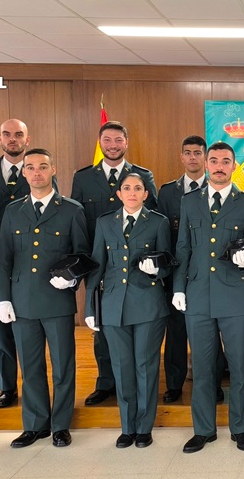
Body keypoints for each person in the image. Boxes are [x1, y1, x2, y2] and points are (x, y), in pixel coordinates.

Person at [0, 148, 89, 449]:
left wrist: (72, 278)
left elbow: (82, 254)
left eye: (43, 167)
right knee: (30, 365)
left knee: (63, 365)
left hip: (57, 301)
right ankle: (35, 424)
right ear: (24, 173)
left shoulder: (71, 210)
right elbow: (4, 259)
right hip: (22, 301)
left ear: (53, 170)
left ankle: (60, 425)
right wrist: (2, 299)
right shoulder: (12, 211)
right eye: (31, 167)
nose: (37, 173)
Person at [173, 141, 244, 453]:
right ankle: (204, 430)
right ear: (206, 164)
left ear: (234, 165)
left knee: (238, 366)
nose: (220, 166)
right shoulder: (189, 202)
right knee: (202, 366)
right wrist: (178, 287)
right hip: (197, 295)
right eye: (214, 160)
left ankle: (240, 428)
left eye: (226, 160)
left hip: (235, 295)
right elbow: (183, 247)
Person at [0, 118, 57, 409]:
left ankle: (36, 387)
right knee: (3, 327)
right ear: (0, 138)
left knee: (33, 327)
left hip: (35, 265)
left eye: (18, 134)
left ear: (27, 139)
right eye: (7, 134)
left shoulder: (39, 171)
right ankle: (7, 386)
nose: (12, 139)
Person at [71, 120, 158, 406]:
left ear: (126, 143)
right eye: (107, 139)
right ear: (100, 142)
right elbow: (79, 222)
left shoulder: (143, 176)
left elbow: (153, 216)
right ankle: (106, 381)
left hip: (137, 268)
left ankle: (136, 388)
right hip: (100, 264)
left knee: (137, 334)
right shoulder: (83, 178)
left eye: (118, 139)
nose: (112, 144)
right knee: (103, 330)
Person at [85, 173, 172, 449]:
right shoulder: (104, 222)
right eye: (127, 188)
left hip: (148, 304)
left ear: (146, 194)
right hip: (113, 305)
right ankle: (127, 426)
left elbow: (169, 262)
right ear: (119, 194)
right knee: (121, 368)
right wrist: (90, 305)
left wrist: (158, 269)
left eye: (138, 188)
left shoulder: (158, 222)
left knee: (145, 366)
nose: (132, 192)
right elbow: (97, 265)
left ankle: (144, 427)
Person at [156, 135, 225, 405]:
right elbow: (162, 234)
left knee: (211, 332)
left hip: (208, 272)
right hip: (176, 271)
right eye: (188, 153)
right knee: (175, 332)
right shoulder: (167, 191)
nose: (193, 157)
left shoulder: (219, 191)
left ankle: (215, 383)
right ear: (182, 157)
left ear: (206, 159)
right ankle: (174, 384)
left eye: (198, 153)